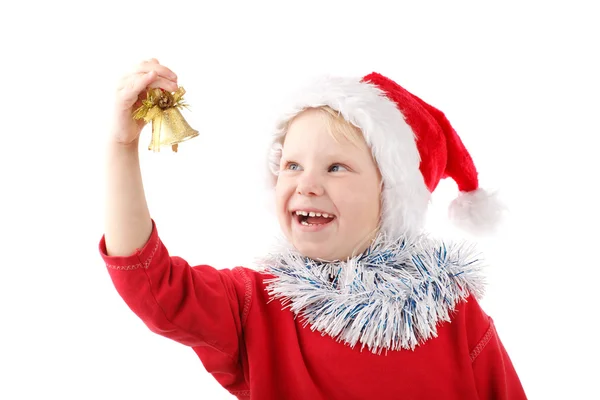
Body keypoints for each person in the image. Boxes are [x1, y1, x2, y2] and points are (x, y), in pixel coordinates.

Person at [99, 58, 527, 399]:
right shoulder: (256, 308)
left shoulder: (454, 316)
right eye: (291, 165)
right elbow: (150, 284)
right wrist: (122, 147)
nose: (306, 184)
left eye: (336, 167)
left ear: (390, 193)